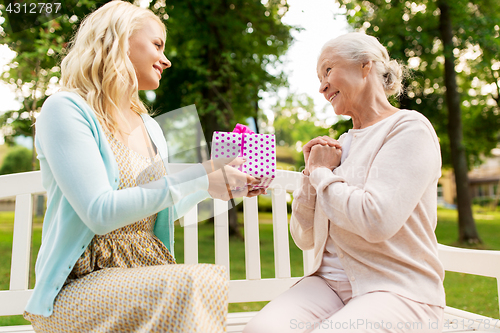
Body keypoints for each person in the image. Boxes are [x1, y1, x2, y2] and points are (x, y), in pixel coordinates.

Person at [23, 1, 264, 332]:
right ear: (120, 40)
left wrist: (210, 187)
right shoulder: (65, 109)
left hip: (145, 273)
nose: (166, 60)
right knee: (192, 282)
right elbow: (100, 212)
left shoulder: (149, 126)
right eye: (157, 45)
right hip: (79, 287)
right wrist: (200, 173)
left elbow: (153, 210)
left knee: (196, 281)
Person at [243, 32, 445, 333]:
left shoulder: (409, 129)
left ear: (365, 66)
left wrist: (323, 173)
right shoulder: (339, 146)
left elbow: (376, 220)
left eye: (328, 70)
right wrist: (312, 176)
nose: (322, 86)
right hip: (329, 285)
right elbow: (304, 236)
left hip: (396, 288)